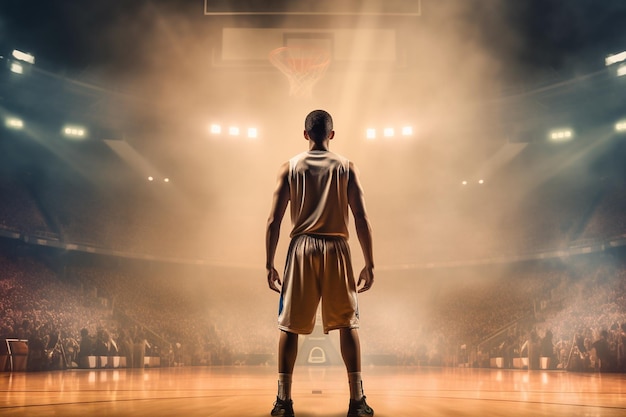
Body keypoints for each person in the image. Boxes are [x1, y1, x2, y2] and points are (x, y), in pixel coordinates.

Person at [266, 110, 375, 417]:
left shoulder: (289, 167)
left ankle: (283, 401)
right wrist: (369, 263)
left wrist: (269, 263)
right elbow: (362, 219)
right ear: (331, 134)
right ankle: (357, 400)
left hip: (300, 247)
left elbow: (274, 220)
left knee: (289, 327)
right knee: (347, 324)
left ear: (305, 134)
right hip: (337, 247)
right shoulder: (346, 166)